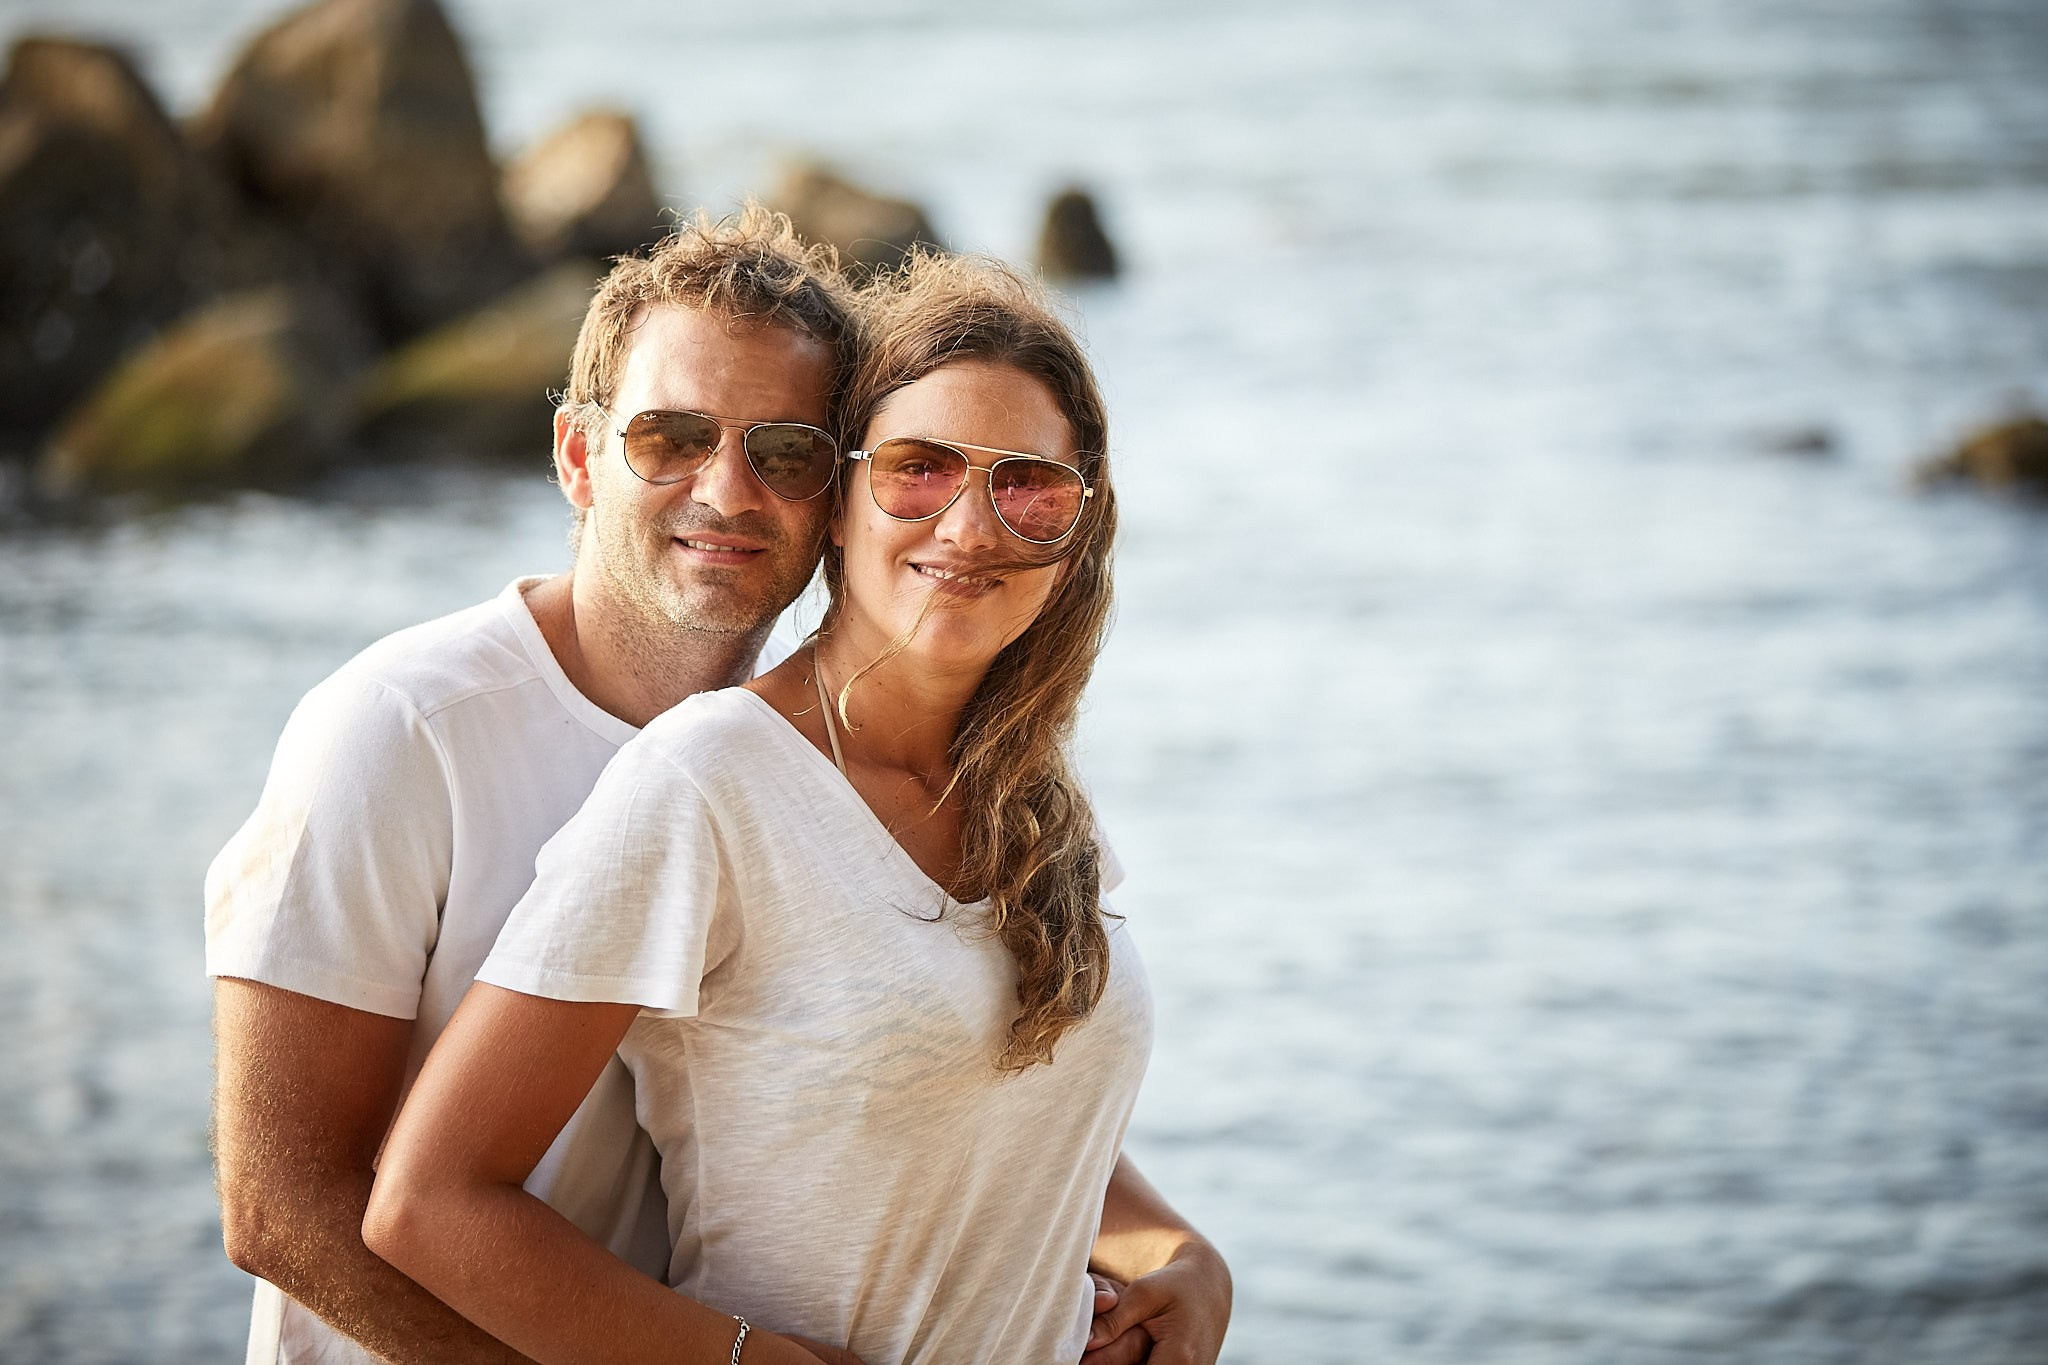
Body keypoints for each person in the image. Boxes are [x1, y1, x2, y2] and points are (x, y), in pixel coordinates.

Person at [209, 209, 1221, 1365]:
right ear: (579, 457)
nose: (728, 492)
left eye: (783, 450)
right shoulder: (403, 732)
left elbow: (914, 1069)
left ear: (826, 491)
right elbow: (284, 1211)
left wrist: (1167, 1249)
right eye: (670, 438)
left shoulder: (922, 773)